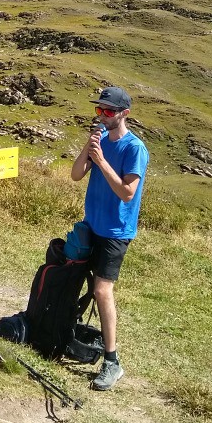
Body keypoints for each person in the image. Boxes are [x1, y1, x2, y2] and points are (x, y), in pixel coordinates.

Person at [71, 86, 149, 390]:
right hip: (92, 225)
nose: (102, 116)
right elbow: (76, 175)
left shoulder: (134, 149)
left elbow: (127, 193)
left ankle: (112, 362)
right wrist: (87, 149)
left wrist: (101, 161)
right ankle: (82, 333)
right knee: (81, 278)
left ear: (124, 114)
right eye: (99, 110)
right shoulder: (99, 140)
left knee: (103, 291)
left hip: (116, 232)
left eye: (109, 111)